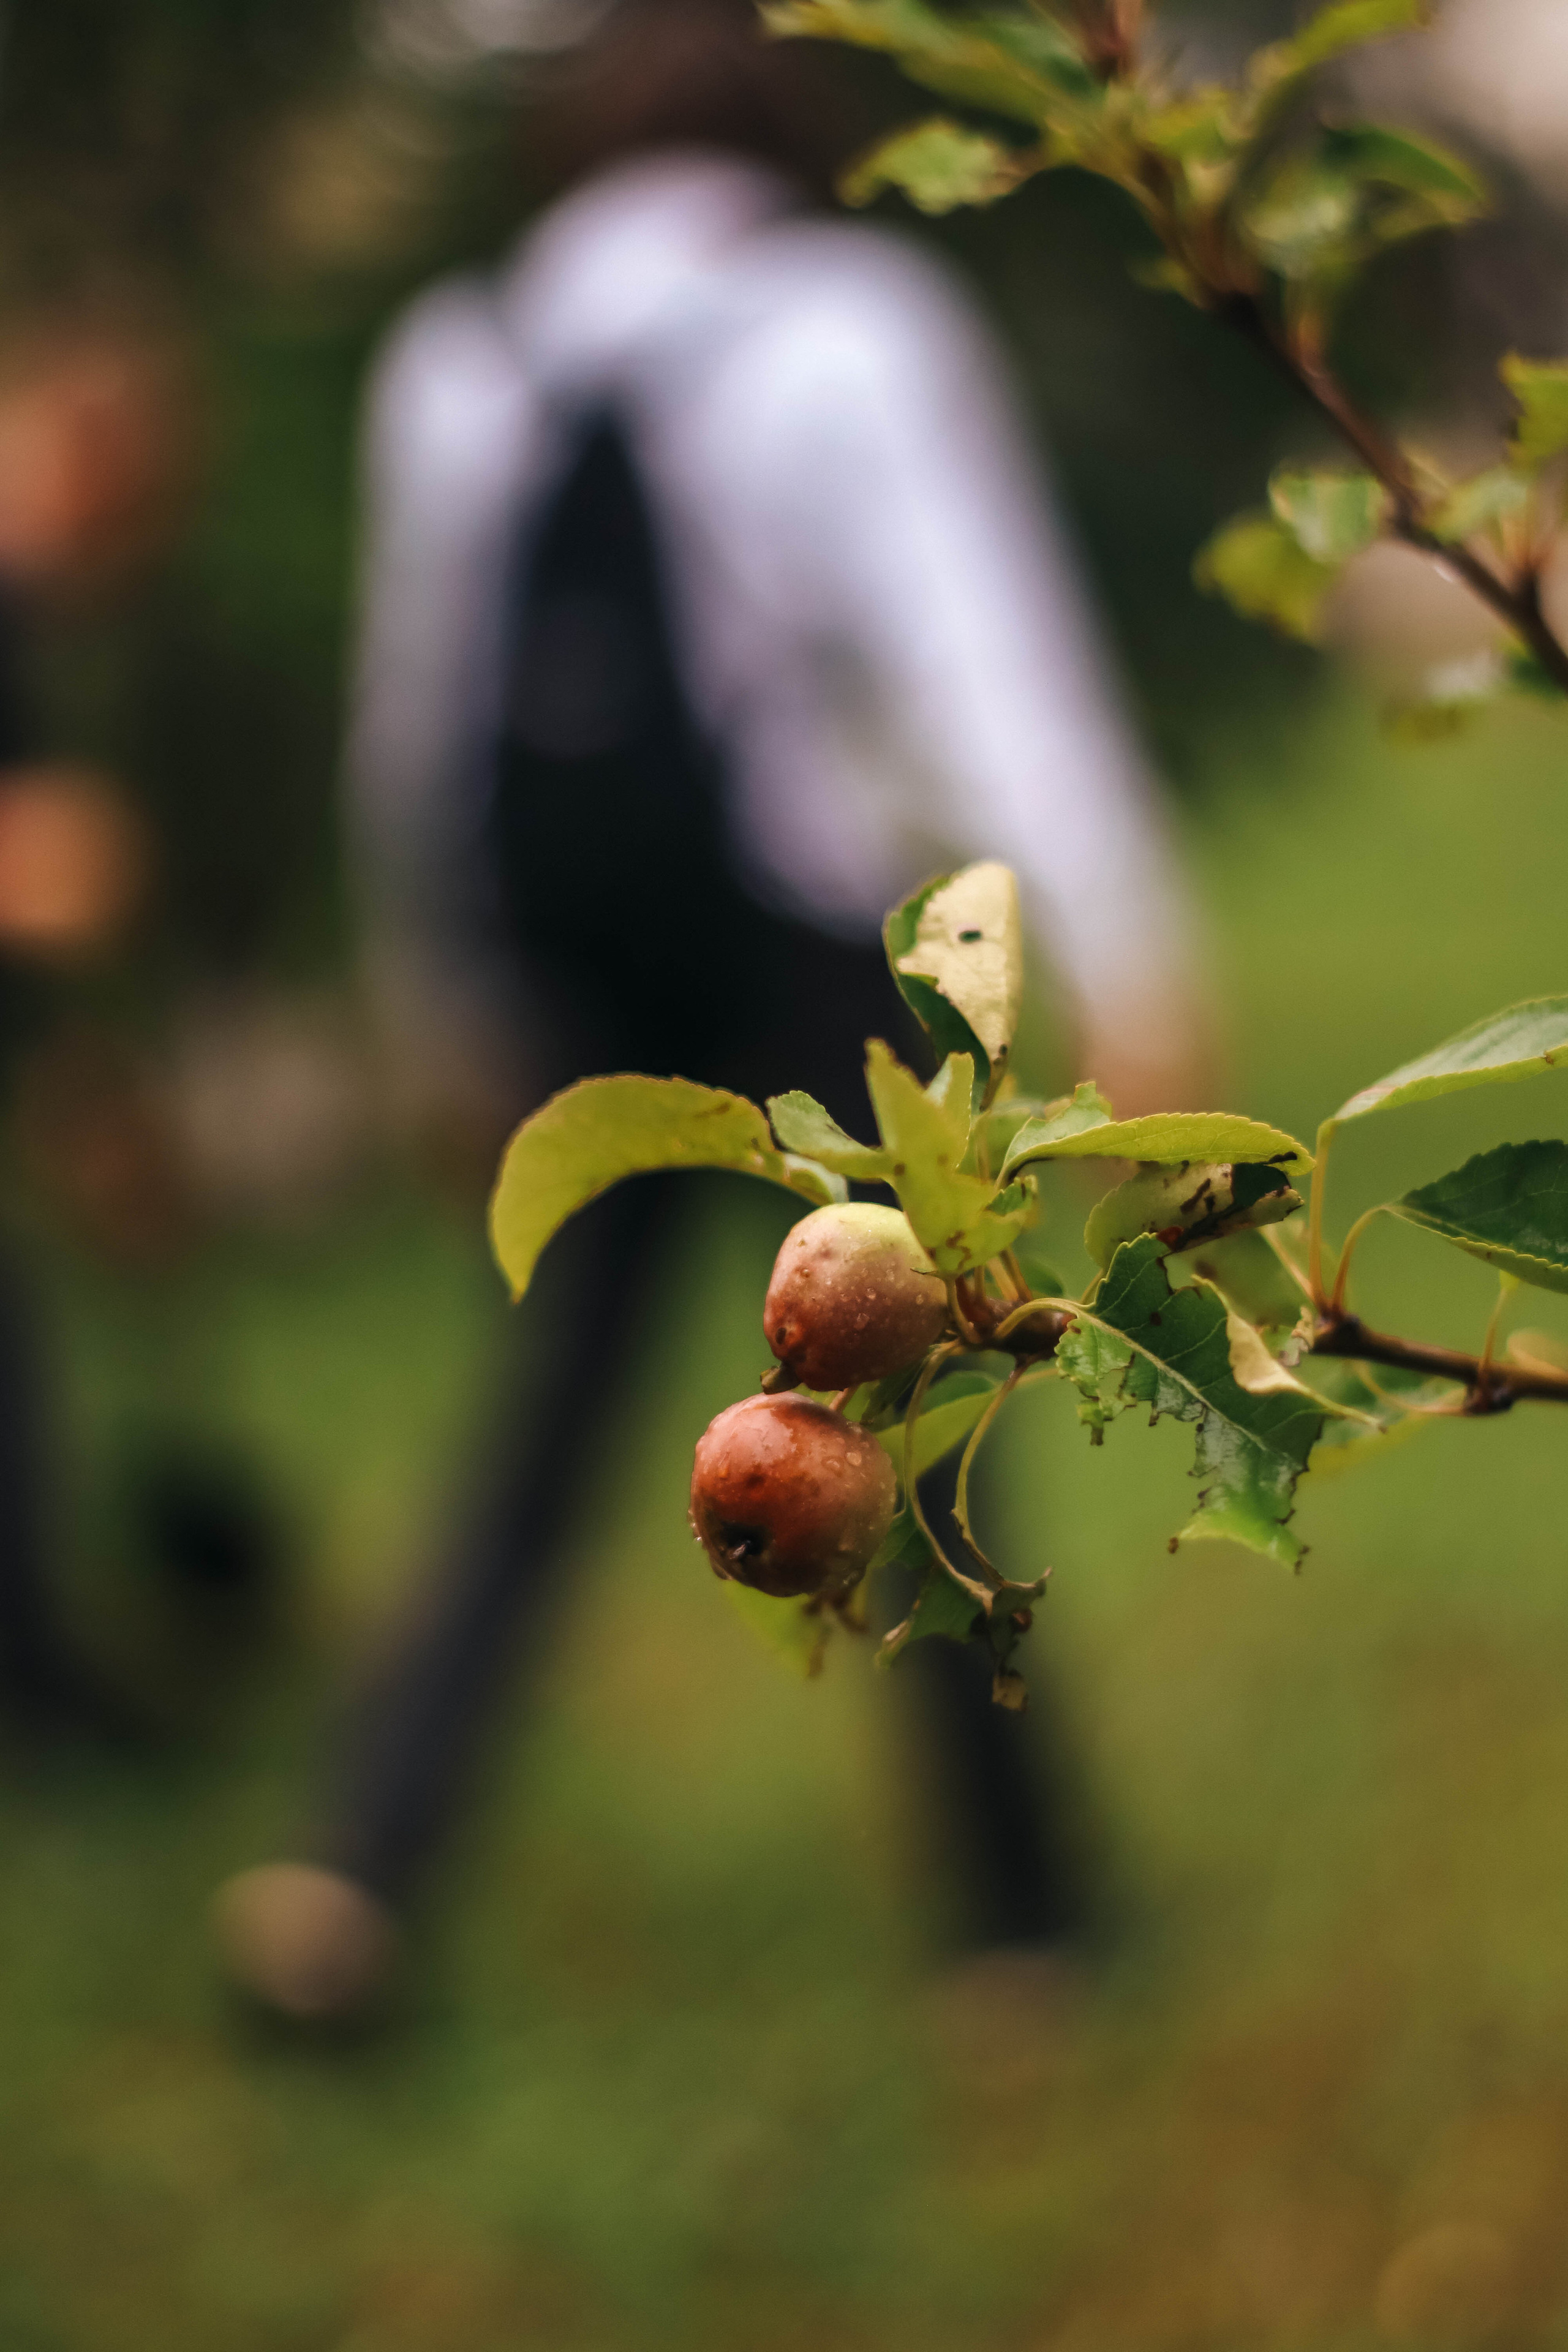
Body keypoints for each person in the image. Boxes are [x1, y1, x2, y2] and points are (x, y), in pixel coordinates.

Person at [214, 0, 1213, 2019]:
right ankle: (1018, 1936)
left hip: (586, 971)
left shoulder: (466, 355)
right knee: (905, 1427)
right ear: (788, 136)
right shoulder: (843, 320)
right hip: (797, 954)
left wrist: (443, 1000)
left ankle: (355, 1874)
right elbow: (988, 657)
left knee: (543, 1429)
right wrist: (1143, 951)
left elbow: (416, 728)